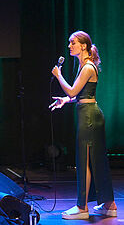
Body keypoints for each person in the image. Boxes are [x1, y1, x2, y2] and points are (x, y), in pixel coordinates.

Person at [50, 31, 117, 219]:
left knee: (84, 161)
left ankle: (82, 208)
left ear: (84, 46)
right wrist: (64, 100)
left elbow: (73, 91)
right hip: (87, 114)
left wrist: (58, 75)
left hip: (89, 118)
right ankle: (109, 204)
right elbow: (80, 95)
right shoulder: (84, 66)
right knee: (95, 161)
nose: (69, 46)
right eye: (69, 43)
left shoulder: (87, 67)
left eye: (73, 43)